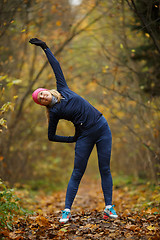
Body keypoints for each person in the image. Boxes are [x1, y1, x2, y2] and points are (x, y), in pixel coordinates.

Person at [29, 38, 118, 223]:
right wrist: (72, 139)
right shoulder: (53, 113)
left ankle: (109, 207)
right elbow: (51, 136)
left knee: (105, 169)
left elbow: (56, 66)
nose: (43, 97)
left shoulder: (63, 88)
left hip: (102, 128)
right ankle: (66, 211)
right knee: (77, 172)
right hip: (84, 136)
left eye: (42, 93)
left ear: (47, 90)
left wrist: (45, 47)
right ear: (42, 104)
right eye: (40, 99)